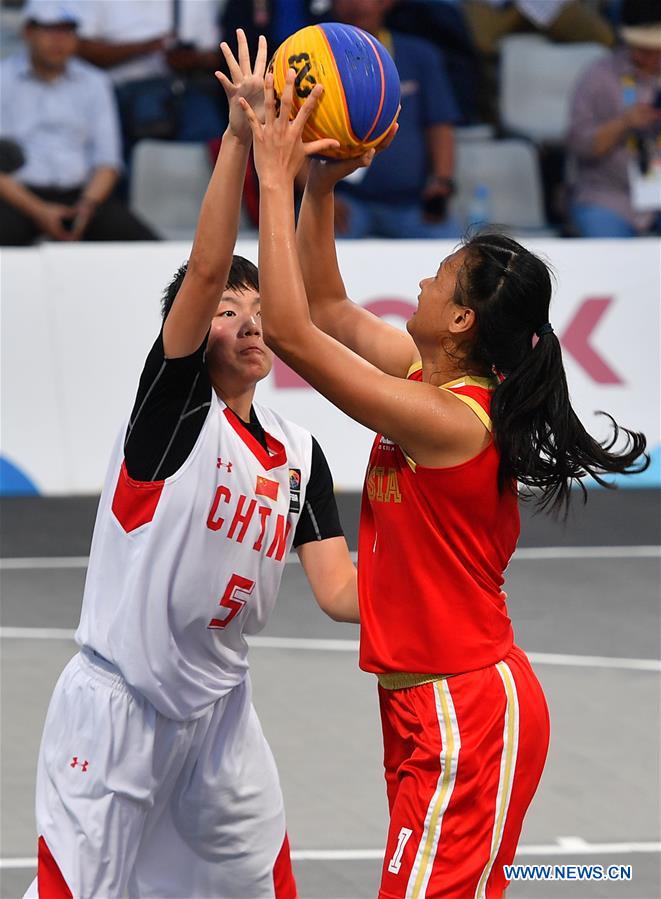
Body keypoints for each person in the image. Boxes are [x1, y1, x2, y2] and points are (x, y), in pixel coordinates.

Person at [240, 71, 649, 898]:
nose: (422, 285)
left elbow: (286, 330)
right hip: (420, 706)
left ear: (462, 320)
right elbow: (322, 304)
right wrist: (321, 180)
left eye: (436, 278)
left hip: (465, 709)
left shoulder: (453, 421)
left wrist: (273, 172)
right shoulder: (427, 378)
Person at [23, 33, 357, 899]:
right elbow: (208, 267)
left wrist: (449, 585)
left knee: (262, 887)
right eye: (226, 311)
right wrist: (242, 139)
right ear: (194, 330)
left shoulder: (300, 451)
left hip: (220, 717)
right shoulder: (170, 416)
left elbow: (339, 593)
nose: (247, 321)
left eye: (259, 309)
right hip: (118, 707)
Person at [0, 0, 156, 246]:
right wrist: (40, 211)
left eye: (68, 30)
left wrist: (86, 207)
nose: (59, 40)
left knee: (145, 245)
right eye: (49, 29)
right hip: (16, 198)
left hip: (82, 198)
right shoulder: (3, 80)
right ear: (28, 32)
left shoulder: (95, 82)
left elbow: (108, 162)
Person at [330, 0, 461, 239]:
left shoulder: (420, 56)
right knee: (308, 245)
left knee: (456, 255)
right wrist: (317, 196)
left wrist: (442, 182)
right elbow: (292, 131)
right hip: (344, 200)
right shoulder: (317, 60)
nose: (357, 5)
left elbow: (440, 125)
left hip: (412, 203)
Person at [567, 0, 661, 238]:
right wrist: (624, 123)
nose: (647, 57)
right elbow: (578, 143)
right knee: (608, 247)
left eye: (654, 50)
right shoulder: (599, 74)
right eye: (640, 48)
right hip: (608, 197)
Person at [74, 0, 227, 146]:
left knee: (209, 136)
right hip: (117, 95)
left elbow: (214, 57)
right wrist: (147, 48)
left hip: (180, 91)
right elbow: (81, 48)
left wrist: (190, 59)